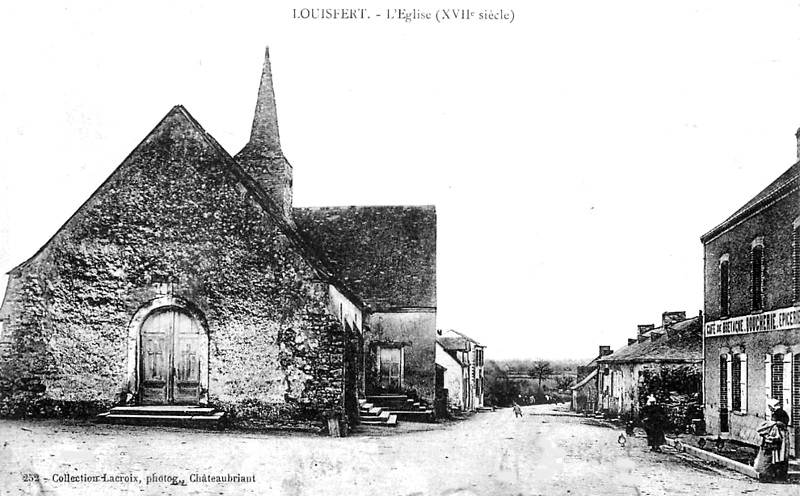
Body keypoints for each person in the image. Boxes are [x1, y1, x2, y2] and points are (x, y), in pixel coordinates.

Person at [754, 398, 790, 482]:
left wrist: (773, 424)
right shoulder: (780, 412)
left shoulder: (779, 413)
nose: (770, 409)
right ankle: (779, 476)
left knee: (778, 456)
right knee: (779, 456)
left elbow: (781, 424)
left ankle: (777, 476)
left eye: (770, 407)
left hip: (780, 436)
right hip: (781, 436)